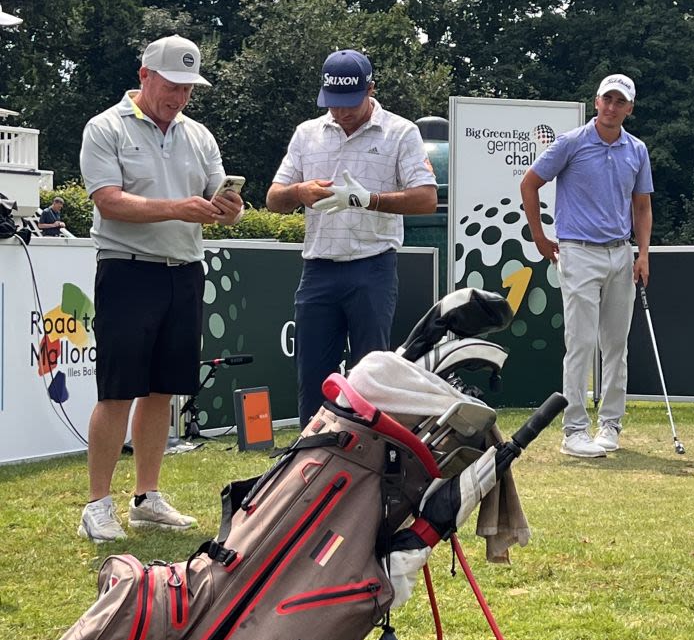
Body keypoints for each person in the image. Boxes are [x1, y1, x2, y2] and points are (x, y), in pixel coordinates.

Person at [78, 34, 244, 542]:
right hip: (128, 268)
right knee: (118, 389)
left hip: (185, 269)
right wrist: (179, 207)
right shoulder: (104, 128)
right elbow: (109, 202)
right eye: (172, 86)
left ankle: (147, 496)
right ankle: (97, 505)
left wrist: (228, 208)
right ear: (145, 75)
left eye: (189, 89)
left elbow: (217, 196)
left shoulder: (199, 134)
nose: (180, 98)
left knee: (162, 390)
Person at [266, 48, 438, 428]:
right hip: (318, 269)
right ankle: (310, 457)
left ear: (370, 89)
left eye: (350, 103)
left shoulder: (400, 132)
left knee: (369, 374)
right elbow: (273, 199)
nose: (341, 112)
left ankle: (364, 456)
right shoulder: (307, 133)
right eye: (333, 103)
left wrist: (368, 199)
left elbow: (427, 199)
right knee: (312, 374)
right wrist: (300, 192)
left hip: (372, 267)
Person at [520, 73, 653, 458]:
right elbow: (529, 184)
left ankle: (610, 424)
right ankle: (574, 430)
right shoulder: (571, 143)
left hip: (620, 253)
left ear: (629, 108)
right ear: (596, 102)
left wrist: (642, 254)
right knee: (579, 343)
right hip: (578, 251)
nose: (612, 107)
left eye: (619, 101)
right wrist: (540, 237)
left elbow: (641, 206)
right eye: (606, 99)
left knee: (616, 346)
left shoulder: (636, 150)